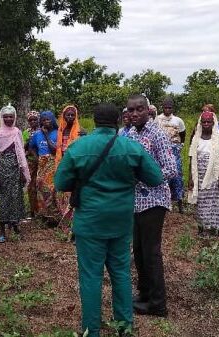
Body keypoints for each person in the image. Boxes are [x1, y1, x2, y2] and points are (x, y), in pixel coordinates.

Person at [55, 103, 164, 337]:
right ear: (118, 120)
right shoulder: (130, 146)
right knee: (121, 273)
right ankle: (124, 328)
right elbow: (155, 178)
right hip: (121, 222)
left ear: (94, 121)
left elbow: (60, 183)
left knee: (91, 277)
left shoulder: (78, 147)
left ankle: (91, 331)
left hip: (89, 223)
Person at [126, 94, 176, 317]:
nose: (134, 114)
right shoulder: (131, 133)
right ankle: (144, 294)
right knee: (139, 251)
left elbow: (171, 169)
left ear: (148, 110)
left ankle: (158, 304)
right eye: (131, 110)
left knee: (151, 252)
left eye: (139, 110)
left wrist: (142, 177)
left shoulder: (157, 134)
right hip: (136, 202)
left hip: (154, 200)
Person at [0, 104, 30, 243]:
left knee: (16, 197)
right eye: (6, 116)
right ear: (2, 118)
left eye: (11, 116)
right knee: (3, 199)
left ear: (14, 117)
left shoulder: (17, 132)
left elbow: (20, 153)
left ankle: (15, 224)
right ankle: (2, 229)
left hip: (15, 170)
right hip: (2, 170)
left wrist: (21, 172)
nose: (8, 119)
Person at [187, 111, 219, 237]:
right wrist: (190, 178)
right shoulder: (196, 139)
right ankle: (203, 228)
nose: (206, 124)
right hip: (199, 175)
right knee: (202, 202)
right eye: (203, 122)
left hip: (215, 176)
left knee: (216, 201)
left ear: (213, 123)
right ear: (200, 123)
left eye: (208, 122)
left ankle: (217, 228)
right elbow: (191, 159)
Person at [29, 110, 61, 226]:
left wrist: (46, 135)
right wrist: (37, 157)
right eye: (43, 120)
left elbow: (54, 149)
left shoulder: (58, 133)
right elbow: (31, 147)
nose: (46, 122)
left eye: (48, 119)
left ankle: (55, 218)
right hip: (42, 166)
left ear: (52, 120)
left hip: (53, 164)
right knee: (41, 190)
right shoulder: (37, 134)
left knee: (53, 190)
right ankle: (44, 216)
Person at [155, 96, 186, 213]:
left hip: (175, 151)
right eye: (166, 108)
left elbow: (183, 134)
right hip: (162, 151)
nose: (167, 110)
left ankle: (180, 203)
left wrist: (180, 145)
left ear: (173, 108)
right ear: (162, 107)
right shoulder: (157, 119)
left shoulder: (178, 120)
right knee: (164, 177)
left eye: (170, 108)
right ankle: (164, 203)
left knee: (177, 176)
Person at [55, 105, 86, 221]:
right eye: (67, 114)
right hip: (62, 163)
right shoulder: (60, 130)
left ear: (76, 116)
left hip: (74, 165)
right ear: (63, 116)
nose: (70, 117)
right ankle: (64, 218)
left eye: (73, 115)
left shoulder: (80, 131)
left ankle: (73, 219)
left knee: (73, 191)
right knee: (63, 190)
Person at [23, 111, 40, 218]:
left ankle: (42, 209)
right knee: (31, 186)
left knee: (41, 185)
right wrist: (28, 142)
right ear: (28, 121)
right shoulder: (26, 132)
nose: (33, 121)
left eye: (35, 119)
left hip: (42, 161)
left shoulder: (42, 131)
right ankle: (33, 210)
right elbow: (22, 147)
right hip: (30, 161)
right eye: (31, 120)